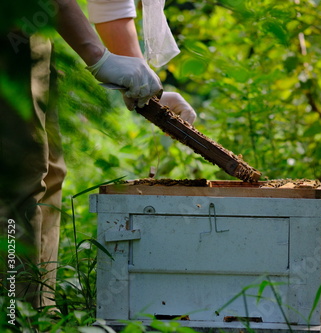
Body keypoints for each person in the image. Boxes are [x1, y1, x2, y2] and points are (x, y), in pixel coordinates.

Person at [0, 0, 193, 309]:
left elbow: (109, 4)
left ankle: (37, 310)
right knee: (18, 177)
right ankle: (12, 314)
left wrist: (145, 85)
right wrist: (98, 57)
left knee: (48, 172)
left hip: (35, 23)